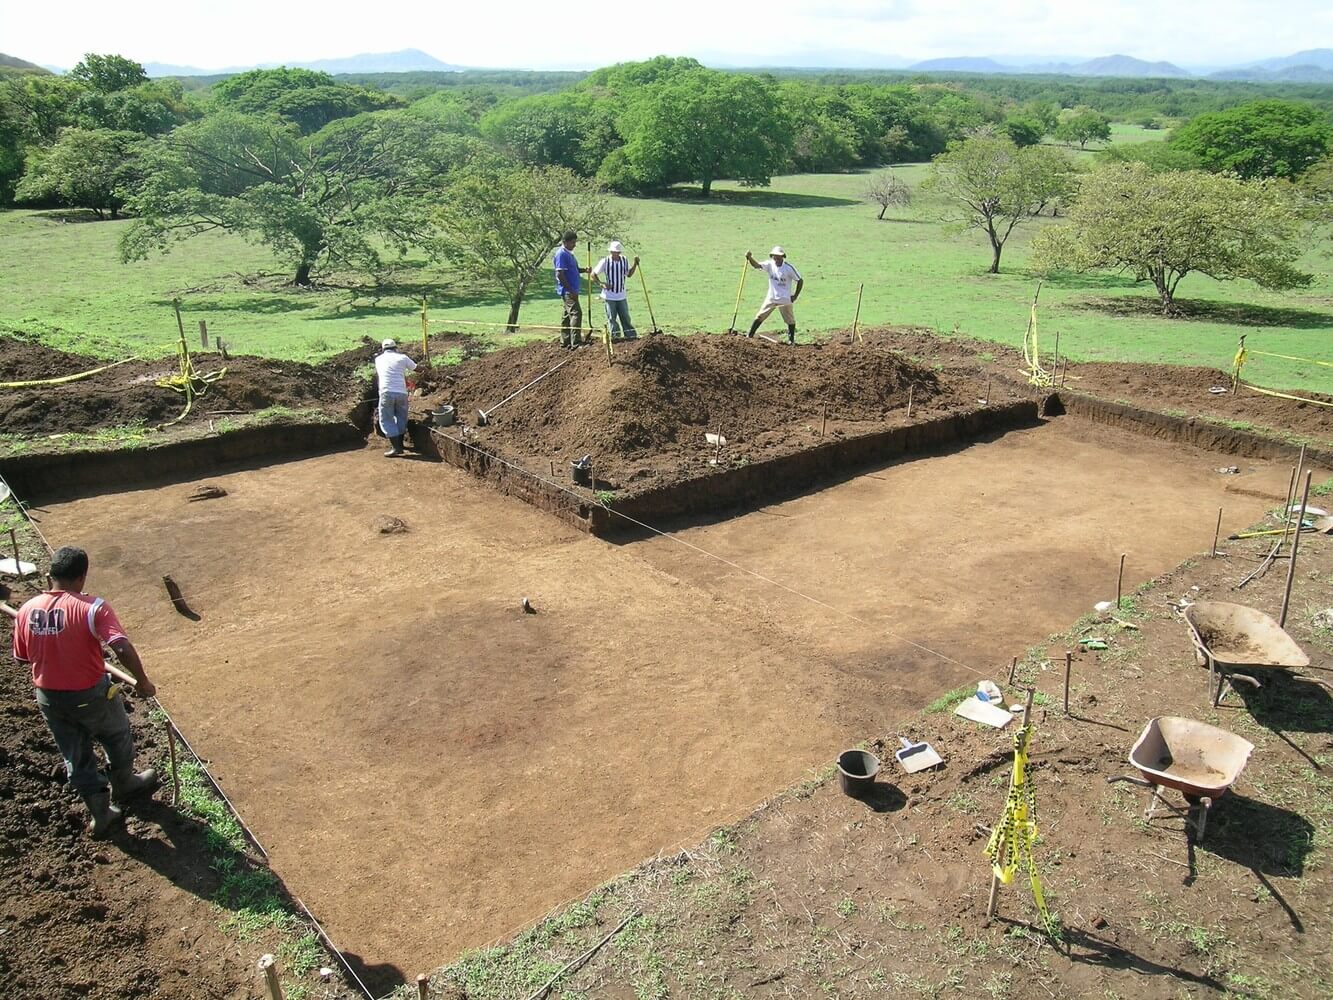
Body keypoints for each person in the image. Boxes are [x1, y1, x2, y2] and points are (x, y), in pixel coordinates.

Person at [11, 546, 159, 839]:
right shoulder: (93, 607)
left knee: (75, 755)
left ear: (50, 575)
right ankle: (125, 783)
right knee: (117, 734)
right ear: (81, 577)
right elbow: (120, 646)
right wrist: (142, 681)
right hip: (90, 694)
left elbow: (22, 658)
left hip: (50, 699)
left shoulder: (26, 610)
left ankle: (101, 815)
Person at [744, 246, 804, 345]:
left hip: (784, 299)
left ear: (782, 257)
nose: (776, 258)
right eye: (774, 256)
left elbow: (800, 280)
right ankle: (750, 335)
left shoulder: (788, 268)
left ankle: (791, 340)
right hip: (771, 297)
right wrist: (750, 258)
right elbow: (757, 265)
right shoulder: (770, 264)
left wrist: (795, 296)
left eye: (778, 256)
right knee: (760, 316)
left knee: (790, 320)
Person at [375, 338, 416, 458]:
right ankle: (400, 445)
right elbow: (416, 368)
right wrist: (426, 368)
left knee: (387, 419)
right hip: (402, 393)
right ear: (395, 348)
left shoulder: (378, 359)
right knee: (401, 418)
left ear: (383, 349)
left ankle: (396, 448)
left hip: (386, 392)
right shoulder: (402, 357)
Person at [591, 240, 640, 341]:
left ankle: (631, 336)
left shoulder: (624, 260)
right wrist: (601, 284)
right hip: (609, 296)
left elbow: (629, 274)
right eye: (613, 252)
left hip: (621, 295)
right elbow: (593, 274)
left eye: (617, 252)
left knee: (625, 317)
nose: (615, 254)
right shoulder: (605, 261)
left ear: (619, 252)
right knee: (611, 318)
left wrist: (635, 264)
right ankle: (615, 338)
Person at [553, 230, 588, 349]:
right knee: (576, 313)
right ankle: (576, 343)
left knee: (566, 316)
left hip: (571, 290)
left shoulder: (569, 253)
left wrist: (584, 270)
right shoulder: (561, 254)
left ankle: (565, 340)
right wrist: (570, 290)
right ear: (565, 242)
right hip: (568, 290)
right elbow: (559, 274)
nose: (574, 245)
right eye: (572, 242)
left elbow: (574, 269)